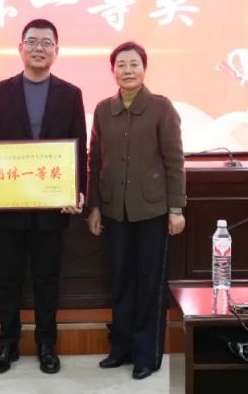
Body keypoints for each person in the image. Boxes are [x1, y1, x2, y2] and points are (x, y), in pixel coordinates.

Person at [0, 18, 87, 375]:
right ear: (20, 48)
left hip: (52, 206)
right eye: (32, 42)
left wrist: (79, 190)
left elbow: (79, 148)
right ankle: (7, 344)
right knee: (9, 279)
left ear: (56, 51)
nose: (39, 48)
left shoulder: (71, 94)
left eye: (46, 43)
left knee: (47, 280)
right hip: (9, 206)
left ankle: (47, 345)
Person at [86, 41, 186, 380]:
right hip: (115, 212)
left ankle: (147, 355)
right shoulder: (103, 110)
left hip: (153, 211)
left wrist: (176, 208)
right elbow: (94, 161)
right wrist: (95, 206)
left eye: (134, 64)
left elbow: (174, 160)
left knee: (149, 283)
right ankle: (121, 348)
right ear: (112, 70)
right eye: (121, 65)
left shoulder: (161, 107)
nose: (127, 70)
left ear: (144, 68)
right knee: (121, 282)